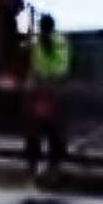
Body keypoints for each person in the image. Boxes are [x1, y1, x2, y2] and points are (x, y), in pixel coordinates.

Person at [24, 13, 70, 180]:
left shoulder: (37, 42)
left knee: (35, 130)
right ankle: (52, 168)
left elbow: (34, 65)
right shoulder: (60, 41)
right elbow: (63, 65)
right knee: (53, 130)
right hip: (54, 88)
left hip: (41, 89)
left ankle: (34, 168)